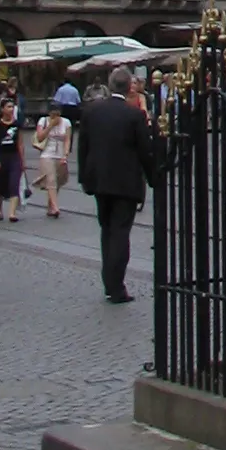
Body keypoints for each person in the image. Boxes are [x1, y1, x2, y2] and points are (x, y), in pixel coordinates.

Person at [76, 65, 156, 303]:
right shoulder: (134, 115)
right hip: (126, 183)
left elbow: (83, 148)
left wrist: (84, 177)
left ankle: (108, 280)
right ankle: (116, 285)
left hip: (100, 182)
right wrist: (154, 179)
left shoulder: (92, 111)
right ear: (129, 86)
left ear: (110, 85)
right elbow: (145, 151)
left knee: (107, 230)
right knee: (121, 233)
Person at [0, 97, 25, 221]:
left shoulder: (17, 124)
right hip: (2, 156)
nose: (11, 109)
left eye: (12, 107)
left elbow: (20, 143)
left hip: (14, 156)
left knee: (14, 183)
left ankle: (12, 213)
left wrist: (22, 160)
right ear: (2, 109)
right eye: (8, 107)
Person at [33, 104, 72, 219]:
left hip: (60, 154)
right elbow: (39, 137)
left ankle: (50, 205)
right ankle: (55, 207)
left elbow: (67, 139)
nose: (55, 116)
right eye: (53, 114)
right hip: (47, 154)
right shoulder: (43, 121)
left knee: (59, 180)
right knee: (51, 179)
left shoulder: (66, 122)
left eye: (58, 114)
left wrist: (65, 155)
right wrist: (50, 125)